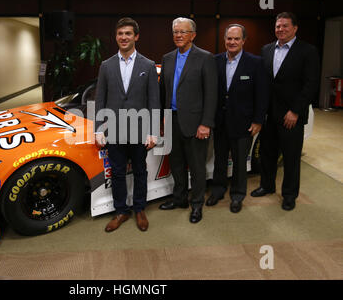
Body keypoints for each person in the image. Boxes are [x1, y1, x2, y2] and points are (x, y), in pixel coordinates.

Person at [94, 17, 160, 232]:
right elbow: (100, 99)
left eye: (128, 33)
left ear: (136, 37)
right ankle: (121, 211)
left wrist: (152, 131)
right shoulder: (106, 65)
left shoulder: (148, 65)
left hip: (140, 130)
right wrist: (99, 129)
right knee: (118, 172)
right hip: (113, 130)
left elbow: (153, 101)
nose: (124, 37)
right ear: (116, 37)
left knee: (140, 171)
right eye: (120, 34)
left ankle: (140, 209)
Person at [250, 12, 320, 211]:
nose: (280, 29)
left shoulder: (308, 51)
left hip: (291, 115)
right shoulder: (266, 49)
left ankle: (289, 194)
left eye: (285, 26)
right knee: (267, 152)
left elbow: (310, 84)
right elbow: (263, 82)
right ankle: (267, 185)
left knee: (290, 157)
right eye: (278, 26)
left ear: (295, 28)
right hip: (269, 113)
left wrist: (295, 111)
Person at [158, 17, 217, 224]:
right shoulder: (167, 58)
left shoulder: (205, 58)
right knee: (176, 164)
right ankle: (180, 199)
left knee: (197, 167)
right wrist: (162, 120)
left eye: (183, 32)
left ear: (193, 35)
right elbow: (162, 92)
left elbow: (211, 94)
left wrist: (206, 123)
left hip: (196, 123)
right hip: (172, 120)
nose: (179, 36)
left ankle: (197, 204)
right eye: (175, 32)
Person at [207, 24, 269, 213]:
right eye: (229, 38)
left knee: (240, 162)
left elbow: (262, 94)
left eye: (236, 39)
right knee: (220, 159)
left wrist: (258, 120)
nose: (232, 42)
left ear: (244, 41)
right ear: (224, 40)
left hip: (244, 123)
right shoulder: (215, 61)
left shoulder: (256, 63)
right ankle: (218, 190)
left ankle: (237, 195)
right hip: (220, 122)